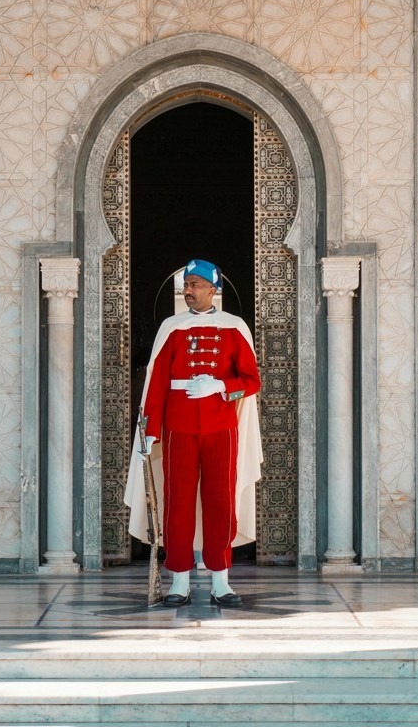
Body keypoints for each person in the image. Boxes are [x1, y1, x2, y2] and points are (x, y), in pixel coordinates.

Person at [125, 259, 262, 608]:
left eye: (196, 285)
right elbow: (156, 384)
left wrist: (221, 386)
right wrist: (150, 432)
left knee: (220, 503)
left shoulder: (234, 327)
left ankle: (221, 582)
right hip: (179, 427)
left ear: (213, 289)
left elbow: (251, 381)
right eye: (186, 285)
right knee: (178, 504)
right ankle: (180, 581)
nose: (188, 290)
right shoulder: (172, 327)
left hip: (221, 427)